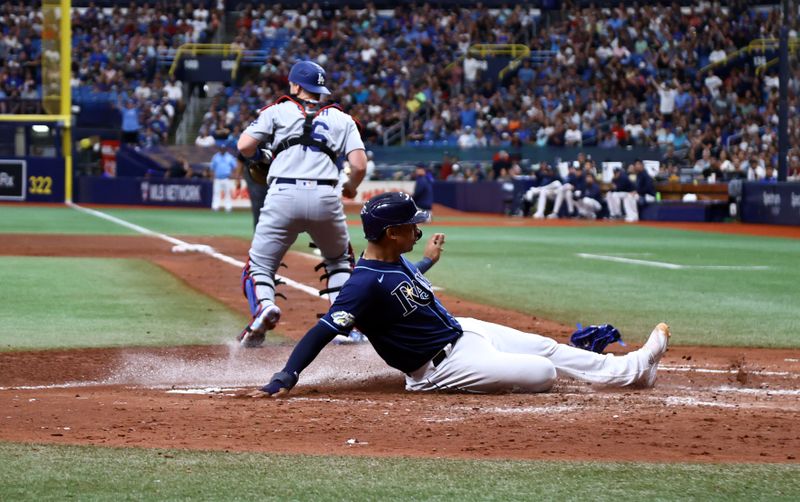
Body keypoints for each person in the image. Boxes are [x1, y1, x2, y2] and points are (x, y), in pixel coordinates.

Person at [252, 191, 671, 397]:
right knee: (541, 372)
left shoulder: (391, 259)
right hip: (437, 368)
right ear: (391, 233)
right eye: (411, 226)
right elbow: (324, 329)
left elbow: (399, 283)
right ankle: (627, 373)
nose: (418, 231)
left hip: (463, 333)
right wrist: (287, 375)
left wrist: (429, 262)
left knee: (547, 348)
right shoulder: (361, 284)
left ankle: (633, 371)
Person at [236, 60, 367, 347]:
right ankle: (345, 326)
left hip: (282, 195)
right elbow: (358, 165)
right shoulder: (342, 119)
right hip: (325, 197)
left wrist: (262, 157)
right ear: (319, 89)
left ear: (295, 86)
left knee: (259, 265)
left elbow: (244, 146)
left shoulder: (276, 110)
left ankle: (265, 308)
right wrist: (349, 187)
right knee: (338, 261)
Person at [209, 144, 238, 212]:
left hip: (227, 178)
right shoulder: (215, 157)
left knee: (227, 193)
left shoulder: (230, 157)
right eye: (221, 149)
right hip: (217, 178)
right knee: (216, 193)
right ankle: (215, 207)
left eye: (224, 149)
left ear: (226, 149)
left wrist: (233, 175)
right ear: (219, 149)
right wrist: (212, 176)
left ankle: (228, 207)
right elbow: (212, 168)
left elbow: (235, 167)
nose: (222, 150)